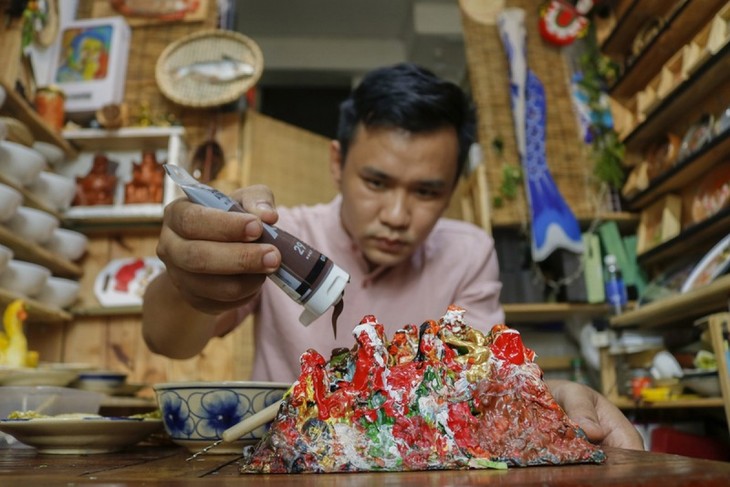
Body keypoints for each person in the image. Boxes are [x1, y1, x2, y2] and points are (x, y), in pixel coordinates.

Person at [142, 63, 643, 450]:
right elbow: (167, 341)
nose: (398, 215)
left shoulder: (467, 252)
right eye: (376, 182)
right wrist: (189, 284)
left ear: (452, 190)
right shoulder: (281, 236)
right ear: (338, 163)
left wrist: (545, 397)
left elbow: (481, 386)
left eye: (427, 191)